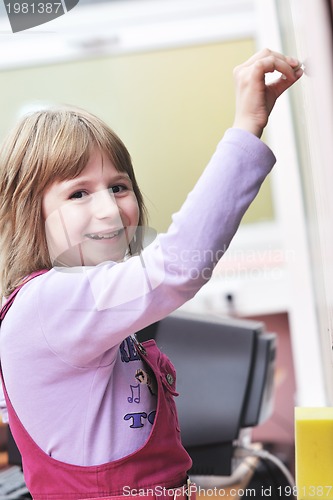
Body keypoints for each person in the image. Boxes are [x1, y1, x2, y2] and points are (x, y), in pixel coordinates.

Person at [0, 48, 303, 500]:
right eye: (78, 193)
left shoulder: (67, 305)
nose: (109, 209)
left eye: (118, 187)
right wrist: (247, 126)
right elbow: (178, 265)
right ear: (30, 214)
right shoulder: (49, 302)